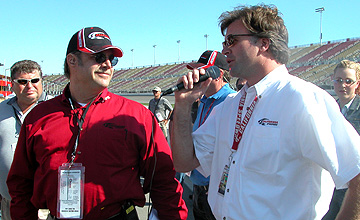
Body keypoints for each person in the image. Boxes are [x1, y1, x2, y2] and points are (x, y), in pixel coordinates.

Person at [170, 4, 360, 220]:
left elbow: (356, 171)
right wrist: (183, 105)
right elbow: (184, 162)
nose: (225, 49)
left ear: (264, 43)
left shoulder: (302, 99)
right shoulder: (229, 107)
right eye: (224, 42)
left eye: (232, 40)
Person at [7, 27, 187, 220]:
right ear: (72, 61)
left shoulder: (137, 116)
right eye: (99, 57)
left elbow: (164, 181)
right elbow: (20, 185)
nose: (108, 64)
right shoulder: (39, 117)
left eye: (113, 59)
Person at [186, 50, 236, 220]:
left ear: (218, 74)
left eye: (202, 72)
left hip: (217, 187)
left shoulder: (230, 101)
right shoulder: (204, 99)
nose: (195, 76)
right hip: (199, 184)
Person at [0, 60, 52, 220]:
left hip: (47, 204)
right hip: (10, 200)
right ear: (12, 84)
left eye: (35, 81)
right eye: (23, 82)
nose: (30, 86)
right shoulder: (1, 110)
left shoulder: (56, 109)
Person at [322, 60, 360, 220]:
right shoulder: (329, 109)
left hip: (353, 183)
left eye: (348, 81)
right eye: (338, 80)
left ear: (357, 83)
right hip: (332, 182)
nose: (342, 85)